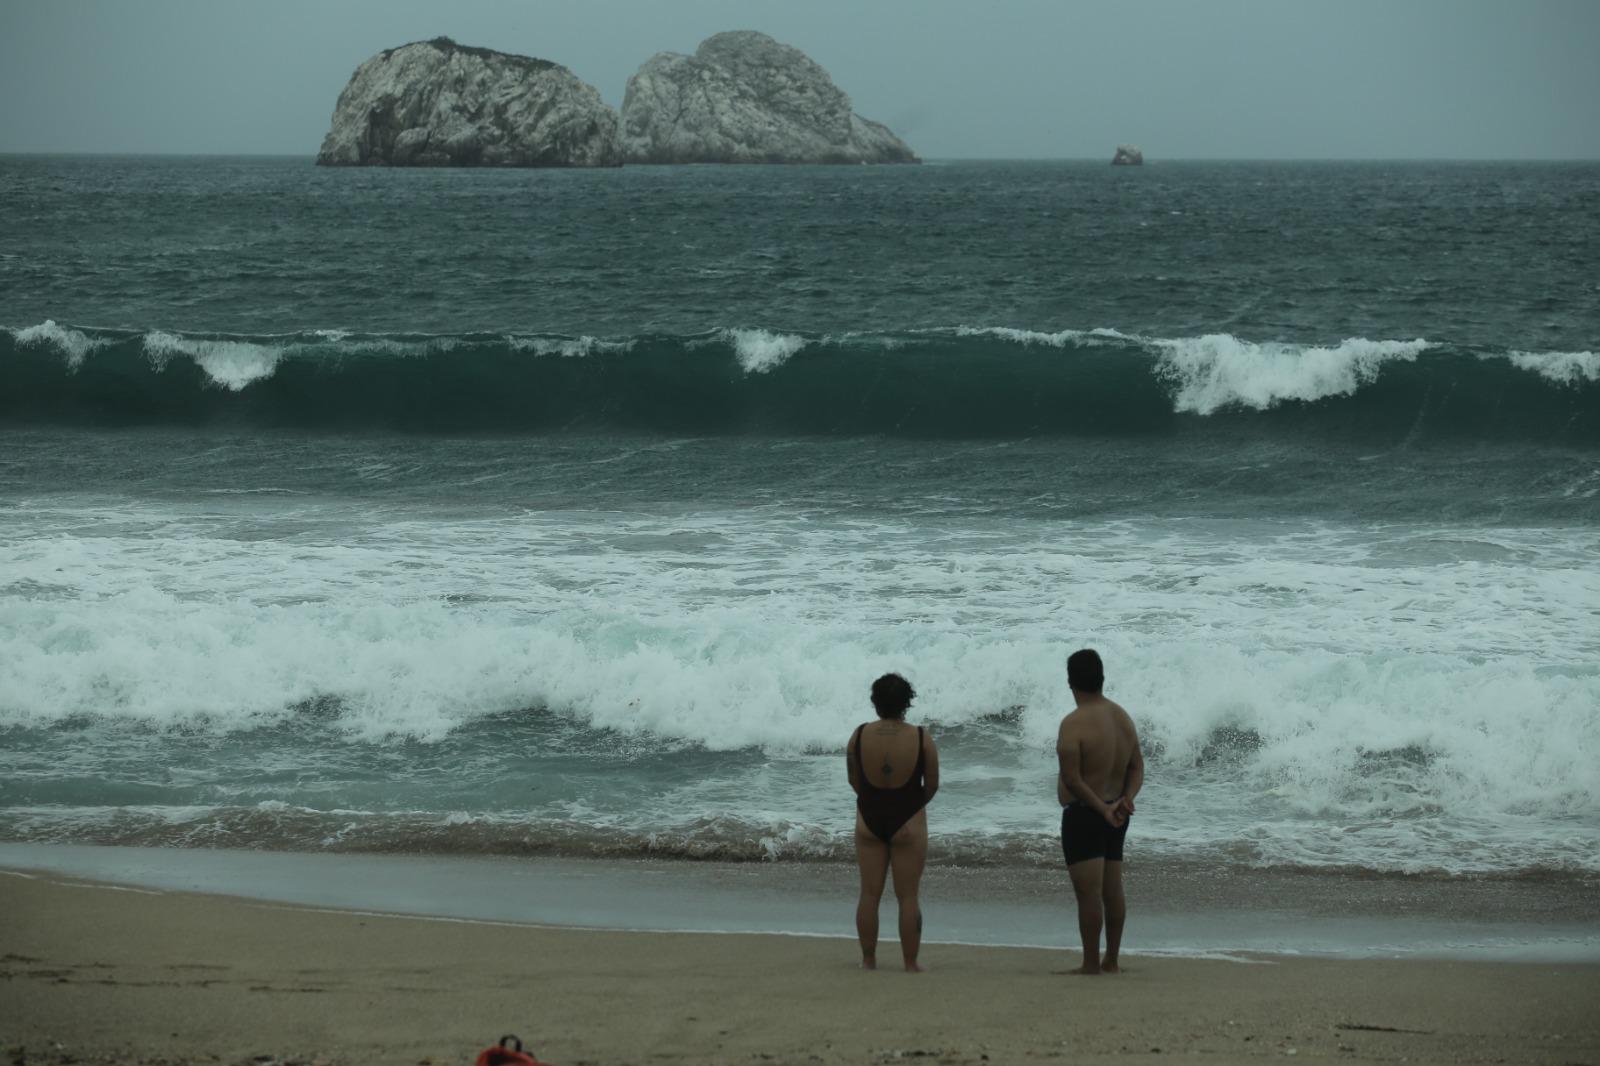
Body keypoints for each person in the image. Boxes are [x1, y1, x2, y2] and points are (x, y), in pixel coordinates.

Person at [1055, 648, 1144, 975]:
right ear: (1101, 678)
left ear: (1070, 682)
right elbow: (1137, 768)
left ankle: (1091, 963)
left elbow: (1072, 780)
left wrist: (1101, 809)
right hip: (1117, 814)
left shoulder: (1073, 724)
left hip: (1086, 814)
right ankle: (1112, 960)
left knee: (1088, 893)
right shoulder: (1122, 717)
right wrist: (1125, 800)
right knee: (1112, 889)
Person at [846, 672, 940, 971]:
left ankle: (868, 960)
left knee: (869, 893)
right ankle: (910, 963)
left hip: (868, 818)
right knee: (908, 895)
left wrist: (876, 802)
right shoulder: (921, 737)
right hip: (908, 820)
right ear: (907, 702)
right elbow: (932, 785)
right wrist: (909, 806)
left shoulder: (859, 735)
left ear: (875, 702)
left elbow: (854, 780)